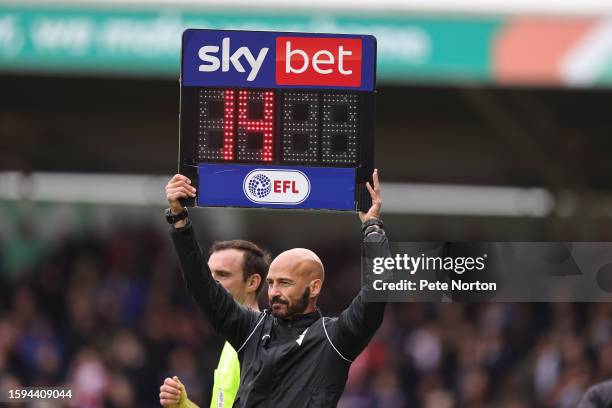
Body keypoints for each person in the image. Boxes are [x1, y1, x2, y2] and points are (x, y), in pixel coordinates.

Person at [164, 169, 388, 407]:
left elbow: (377, 290)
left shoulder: (333, 338)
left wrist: (372, 227)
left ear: (314, 288)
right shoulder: (250, 329)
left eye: (285, 283)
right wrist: (179, 219)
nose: (274, 292)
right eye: (271, 283)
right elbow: (202, 285)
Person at [158, 238, 270, 407]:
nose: (210, 283)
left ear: (252, 282)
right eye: (209, 275)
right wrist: (182, 404)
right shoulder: (231, 342)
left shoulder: (263, 343)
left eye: (223, 274)